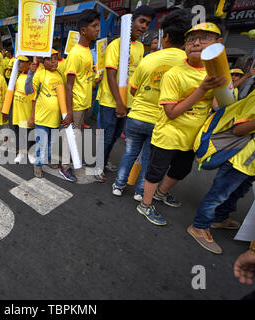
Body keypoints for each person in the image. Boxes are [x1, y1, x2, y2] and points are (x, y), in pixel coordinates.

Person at [137, 21, 226, 226]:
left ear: (217, 43)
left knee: (182, 170)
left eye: (204, 38)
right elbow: (171, 112)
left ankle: (161, 193)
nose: (196, 43)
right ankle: (145, 203)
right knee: (156, 171)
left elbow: (218, 105)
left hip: (193, 137)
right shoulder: (174, 74)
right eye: (191, 40)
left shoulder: (214, 72)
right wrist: (202, 90)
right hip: (168, 133)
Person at [112, 9, 192, 202]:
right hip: (161, 121)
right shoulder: (188, 63)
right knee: (149, 158)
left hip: (138, 115)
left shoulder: (149, 58)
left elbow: (133, 89)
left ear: (166, 37)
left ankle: (119, 185)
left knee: (130, 153)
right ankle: (140, 191)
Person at [188, 90, 255, 254]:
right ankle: (199, 226)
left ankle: (220, 218)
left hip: (251, 164)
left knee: (238, 192)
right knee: (218, 195)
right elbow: (238, 129)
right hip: (240, 159)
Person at [94, 5, 156, 182]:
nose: (144, 26)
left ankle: (104, 161)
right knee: (106, 136)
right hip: (110, 101)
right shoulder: (116, 44)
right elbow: (111, 74)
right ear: (131, 21)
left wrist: (129, 102)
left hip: (127, 102)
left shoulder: (139, 48)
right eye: (141, 21)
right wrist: (119, 102)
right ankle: (97, 167)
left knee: (114, 136)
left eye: (147, 23)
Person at [61, 9, 101, 183]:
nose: (98, 29)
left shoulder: (88, 51)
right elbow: (69, 85)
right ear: (83, 30)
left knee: (76, 134)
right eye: (94, 26)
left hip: (84, 102)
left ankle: (72, 160)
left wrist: (96, 80)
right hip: (75, 104)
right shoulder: (76, 53)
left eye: (98, 25)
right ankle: (65, 166)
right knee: (70, 134)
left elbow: (85, 78)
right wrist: (69, 112)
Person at [25, 49, 64, 178]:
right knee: (41, 143)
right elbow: (29, 91)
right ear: (43, 61)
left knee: (51, 142)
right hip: (41, 118)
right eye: (50, 59)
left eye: (55, 58)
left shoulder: (59, 75)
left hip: (55, 118)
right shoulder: (40, 74)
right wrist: (31, 72)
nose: (54, 62)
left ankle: (47, 159)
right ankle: (38, 164)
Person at [10, 56, 36, 164]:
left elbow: (34, 98)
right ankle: (20, 153)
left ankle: (31, 153)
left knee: (29, 133)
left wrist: (32, 116)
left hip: (27, 111)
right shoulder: (19, 75)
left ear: (30, 64)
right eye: (18, 61)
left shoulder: (34, 77)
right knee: (19, 132)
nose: (19, 64)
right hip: (17, 112)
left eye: (22, 62)